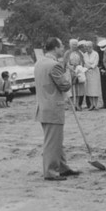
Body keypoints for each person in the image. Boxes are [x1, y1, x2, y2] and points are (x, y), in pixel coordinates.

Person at [34, 37, 80, 181]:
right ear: (55, 48)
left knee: (56, 140)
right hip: (53, 107)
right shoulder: (54, 65)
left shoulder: (39, 62)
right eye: (61, 47)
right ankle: (50, 171)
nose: (62, 49)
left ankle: (62, 167)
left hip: (44, 106)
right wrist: (71, 75)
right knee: (52, 142)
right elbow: (64, 85)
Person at [63, 39, 85, 111]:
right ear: (70, 45)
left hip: (78, 71)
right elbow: (65, 63)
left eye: (76, 44)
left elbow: (82, 62)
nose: (74, 46)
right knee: (71, 90)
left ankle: (78, 104)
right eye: (73, 44)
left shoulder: (79, 53)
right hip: (70, 71)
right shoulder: (67, 53)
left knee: (79, 89)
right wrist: (71, 69)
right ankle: (72, 105)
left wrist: (79, 69)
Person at [84, 41, 101, 110]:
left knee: (95, 88)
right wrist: (87, 67)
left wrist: (91, 66)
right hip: (87, 72)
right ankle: (91, 105)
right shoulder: (84, 54)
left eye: (89, 47)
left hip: (94, 72)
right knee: (89, 89)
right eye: (86, 47)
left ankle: (96, 104)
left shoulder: (95, 54)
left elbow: (96, 63)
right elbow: (84, 62)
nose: (87, 48)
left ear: (91, 47)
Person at [97, 38, 106, 108]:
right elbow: (99, 63)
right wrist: (101, 69)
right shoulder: (99, 53)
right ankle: (105, 104)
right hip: (102, 72)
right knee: (104, 89)